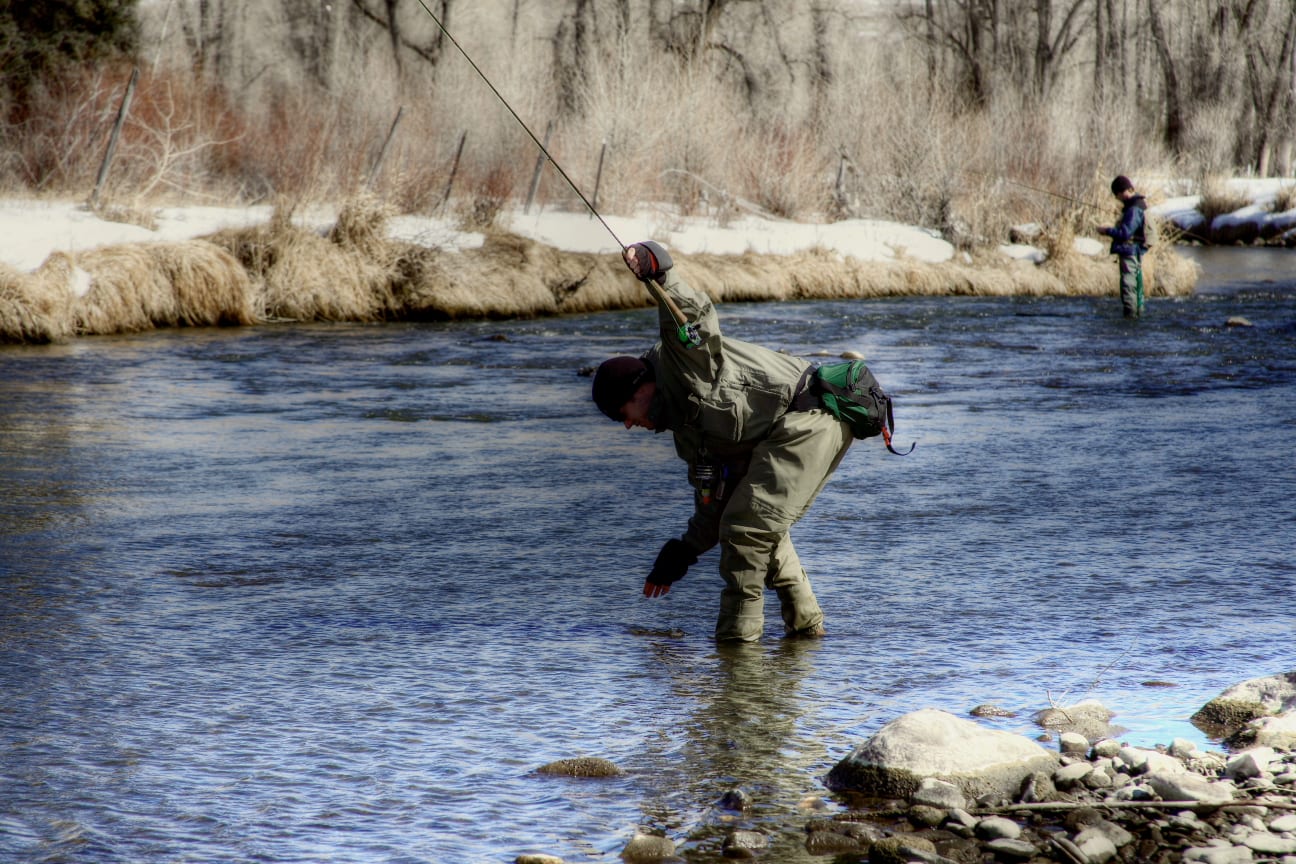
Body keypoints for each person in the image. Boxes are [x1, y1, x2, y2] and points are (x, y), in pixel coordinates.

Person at [591, 241, 855, 642]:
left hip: (813, 416)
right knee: (751, 519)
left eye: (621, 413)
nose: (627, 426)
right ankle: (807, 633)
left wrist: (659, 272)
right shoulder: (683, 430)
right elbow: (716, 500)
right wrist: (683, 551)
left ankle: (737, 650)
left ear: (640, 388)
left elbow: (692, 317)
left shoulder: (682, 365)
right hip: (782, 432)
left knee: (748, 527)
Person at [1098, 175, 1149, 318]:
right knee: (1135, 286)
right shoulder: (1137, 204)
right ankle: (1137, 316)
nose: (1117, 198)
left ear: (1122, 192)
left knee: (1129, 286)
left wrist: (1106, 230)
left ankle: (1130, 318)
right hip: (1135, 251)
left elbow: (1125, 234)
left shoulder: (1133, 209)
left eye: (1117, 195)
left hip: (1130, 252)